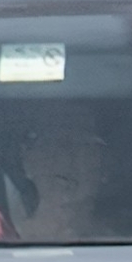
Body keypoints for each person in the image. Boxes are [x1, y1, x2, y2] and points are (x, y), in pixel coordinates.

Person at [9, 102, 111, 241]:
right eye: (50, 142)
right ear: (26, 158)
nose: (65, 157)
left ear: (105, 162)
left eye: (84, 143)